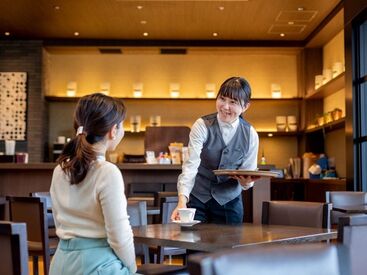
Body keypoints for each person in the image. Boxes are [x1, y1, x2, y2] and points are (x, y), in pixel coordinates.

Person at [49, 93, 137, 274]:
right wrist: (132, 268)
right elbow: (119, 236)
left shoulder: (59, 170)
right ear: (113, 131)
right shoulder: (107, 172)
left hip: (60, 264)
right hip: (98, 266)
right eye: (122, 126)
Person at [171, 76, 259, 225]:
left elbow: (248, 174)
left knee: (228, 248)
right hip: (199, 198)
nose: (225, 106)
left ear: (246, 106)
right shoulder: (202, 125)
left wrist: (246, 183)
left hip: (230, 202)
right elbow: (190, 165)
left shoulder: (250, 134)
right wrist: (182, 200)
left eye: (233, 102)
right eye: (222, 99)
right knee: (194, 246)